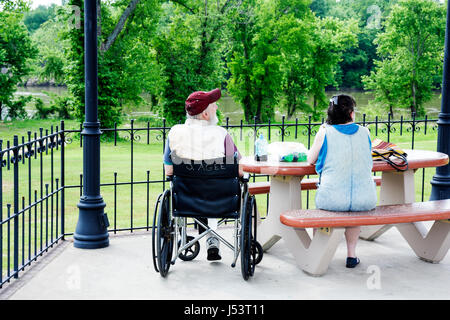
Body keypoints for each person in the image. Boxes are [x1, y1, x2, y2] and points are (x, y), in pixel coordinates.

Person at [163, 88, 242, 261]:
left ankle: (185, 236)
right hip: (220, 198)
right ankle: (212, 240)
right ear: (205, 114)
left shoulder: (174, 133)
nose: (217, 108)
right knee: (213, 186)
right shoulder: (222, 135)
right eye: (214, 105)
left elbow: (169, 171)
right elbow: (238, 169)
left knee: (197, 185)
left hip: (186, 197)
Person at [307, 94, 377, 268]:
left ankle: (317, 254)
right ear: (351, 114)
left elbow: (310, 159)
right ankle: (351, 255)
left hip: (332, 200)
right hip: (365, 199)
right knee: (353, 211)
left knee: (324, 208)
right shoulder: (365, 132)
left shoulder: (325, 132)